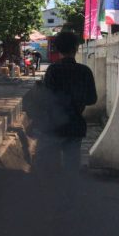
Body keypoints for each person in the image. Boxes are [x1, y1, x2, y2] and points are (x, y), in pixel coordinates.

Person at [32, 31, 97, 174]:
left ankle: (54, 193)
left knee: (49, 170)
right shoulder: (85, 71)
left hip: (54, 126)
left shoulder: (53, 70)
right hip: (75, 126)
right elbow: (92, 99)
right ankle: (71, 192)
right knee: (71, 168)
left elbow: (46, 98)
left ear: (58, 49)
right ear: (76, 48)